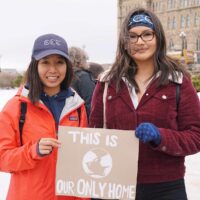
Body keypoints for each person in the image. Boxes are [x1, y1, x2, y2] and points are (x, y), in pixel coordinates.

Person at [89, 8, 200, 200]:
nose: (140, 42)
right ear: (124, 42)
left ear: (158, 37)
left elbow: (196, 136)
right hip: (116, 185)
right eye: (132, 36)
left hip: (165, 188)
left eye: (147, 34)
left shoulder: (179, 82)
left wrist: (161, 137)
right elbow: (94, 134)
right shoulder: (107, 83)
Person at [0, 33, 90, 200]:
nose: (53, 70)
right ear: (35, 66)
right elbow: (2, 158)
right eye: (45, 62)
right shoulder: (16, 107)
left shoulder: (77, 106)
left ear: (67, 66)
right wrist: (33, 151)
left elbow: (83, 157)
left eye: (59, 62)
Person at [69, 46, 96, 120]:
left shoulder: (64, 77)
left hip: (69, 120)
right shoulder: (83, 76)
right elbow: (91, 103)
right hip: (83, 122)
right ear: (80, 60)